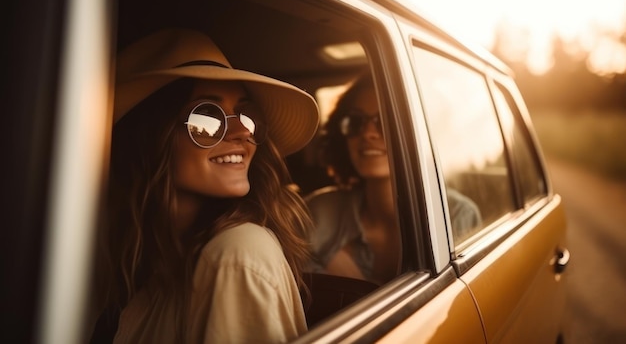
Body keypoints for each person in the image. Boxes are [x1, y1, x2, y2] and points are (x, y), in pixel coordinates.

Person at [91, 28, 320, 343]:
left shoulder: (236, 255)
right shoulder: (120, 254)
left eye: (246, 113)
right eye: (208, 116)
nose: (242, 131)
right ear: (150, 136)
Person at [306, 75, 481, 285]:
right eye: (355, 122)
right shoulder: (317, 213)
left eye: (385, 121)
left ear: (418, 133)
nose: (367, 133)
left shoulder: (455, 218)